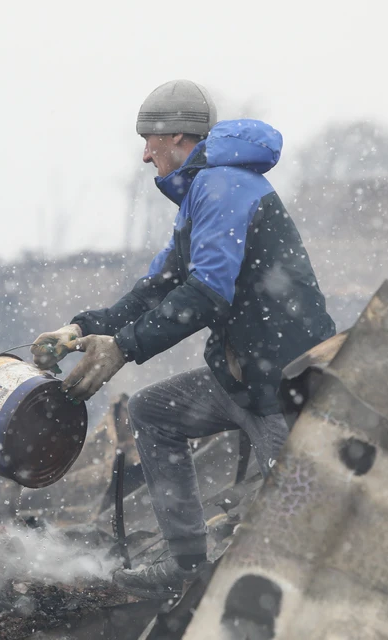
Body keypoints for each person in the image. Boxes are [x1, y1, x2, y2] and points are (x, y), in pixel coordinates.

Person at [31, 79, 336, 599]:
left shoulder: (224, 186)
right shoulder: (199, 197)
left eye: (149, 140)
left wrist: (125, 347)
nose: (145, 155)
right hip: (241, 380)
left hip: (282, 386)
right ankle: (187, 564)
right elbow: (159, 289)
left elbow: (207, 293)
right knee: (153, 413)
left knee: (298, 541)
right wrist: (82, 328)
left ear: (176, 136)